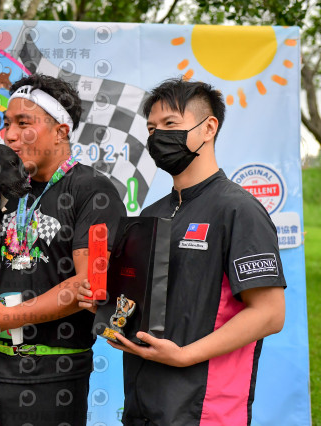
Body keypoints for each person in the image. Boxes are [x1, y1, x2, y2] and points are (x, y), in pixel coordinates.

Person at [78, 78, 286, 425]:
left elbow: (270, 313)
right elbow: (141, 303)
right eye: (151, 128)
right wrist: (104, 305)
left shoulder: (238, 210)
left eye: (170, 124)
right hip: (142, 403)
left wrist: (185, 355)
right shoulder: (151, 214)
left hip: (205, 407)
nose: (158, 136)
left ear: (209, 127)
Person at [0, 73, 126, 426]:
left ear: (60, 131)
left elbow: (88, 286)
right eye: (7, 124)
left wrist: (6, 318)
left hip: (51, 375)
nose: (9, 135)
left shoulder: (92, 190)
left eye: (24, 123)